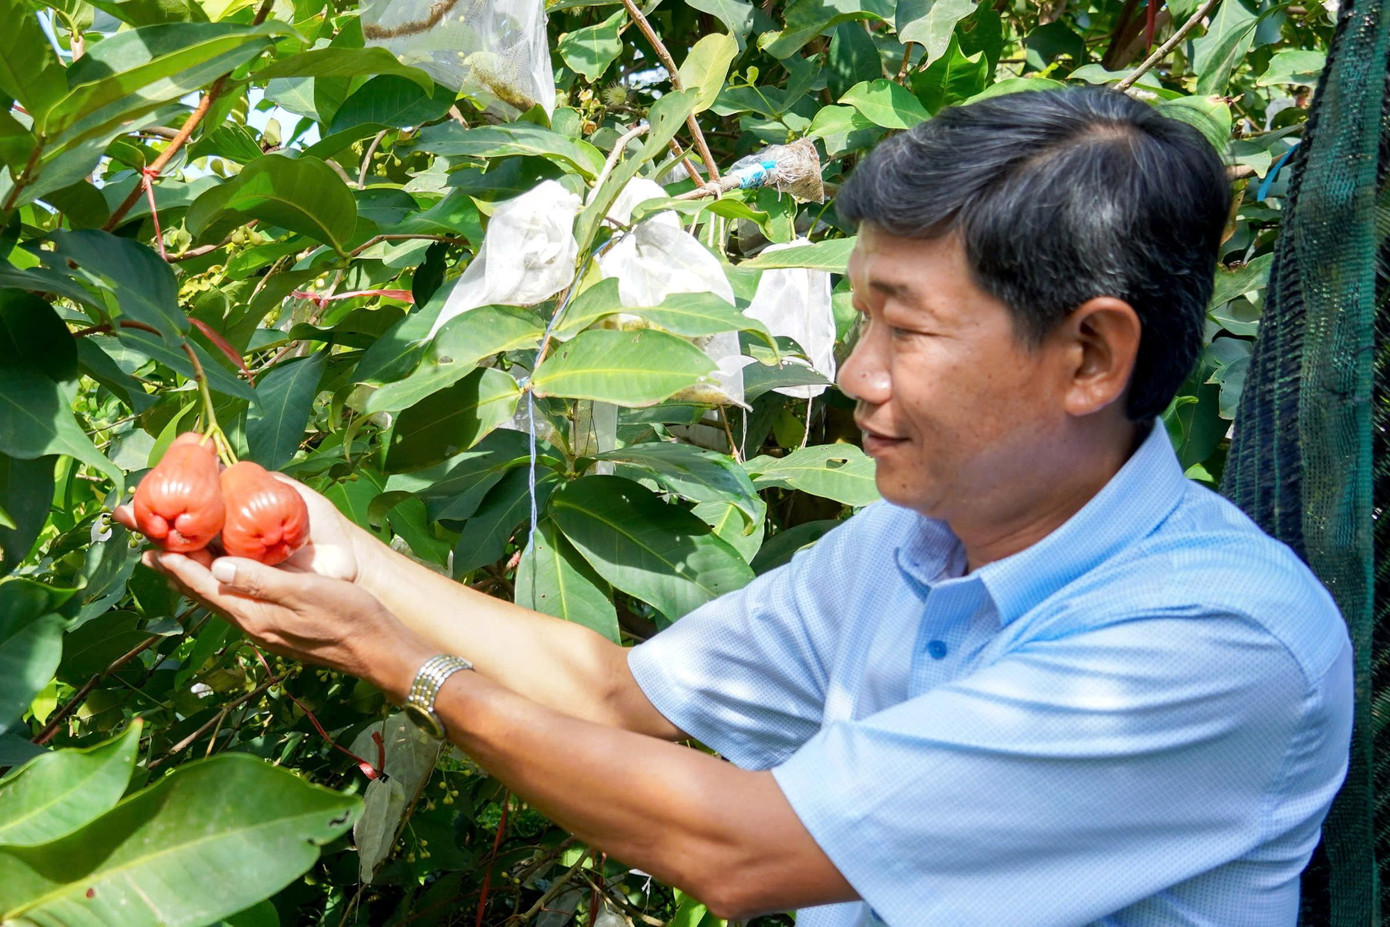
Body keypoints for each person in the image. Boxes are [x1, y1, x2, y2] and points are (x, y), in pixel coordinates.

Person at [119, 87, 1353, 926]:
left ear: (1090, 355)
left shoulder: (1208, 645)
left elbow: (741, 849)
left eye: (904, 329)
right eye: (859, 315)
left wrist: (403, 667)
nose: (854, 375)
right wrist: (346, 555)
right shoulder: (906, 545)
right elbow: (618, 696)